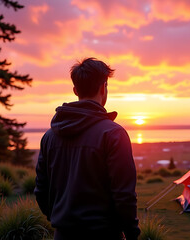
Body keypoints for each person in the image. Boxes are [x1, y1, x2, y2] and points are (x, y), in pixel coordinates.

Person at [34, 58, 140, 240]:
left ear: (75, 90)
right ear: (103, 88)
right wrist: (131, 234)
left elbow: (41, 191)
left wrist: (59, 219)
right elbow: (124, 195)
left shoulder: (49, 137)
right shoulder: (114, 134)